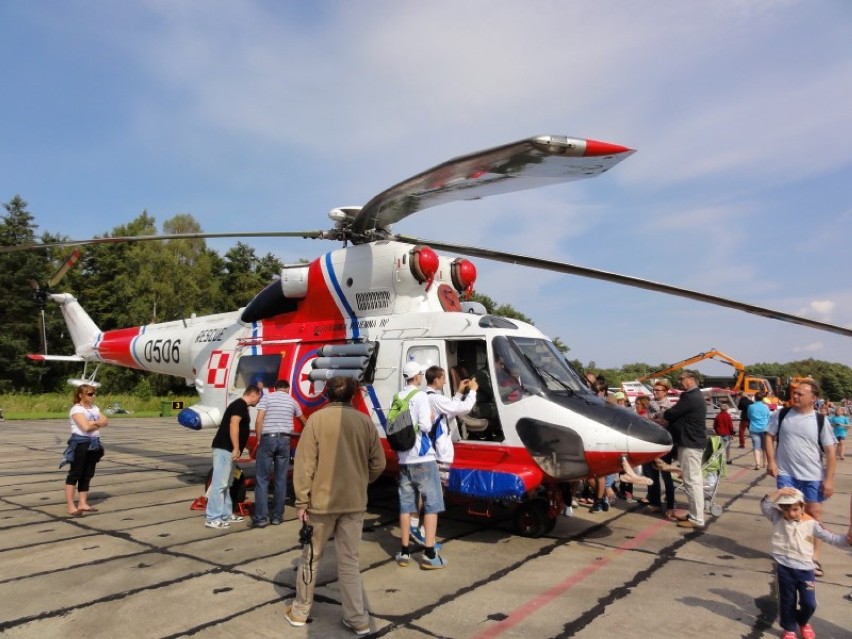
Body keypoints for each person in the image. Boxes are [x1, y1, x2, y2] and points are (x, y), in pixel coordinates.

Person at [285, 376, 385, 634]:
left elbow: (305, 465)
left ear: (326, 394)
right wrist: (361, 481)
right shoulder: (365, 422)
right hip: (354, 503)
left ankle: (299, 611)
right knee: (350, 562)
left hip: (320, 504)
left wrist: (301, 500)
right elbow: (379, 464)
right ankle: (358, 619)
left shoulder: (316, 420)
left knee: (310, 558)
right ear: (353, 395)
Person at [765, 378, 837, 577]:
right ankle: (790, 551)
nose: (795, 396)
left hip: (812, 475)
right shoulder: (781, 414)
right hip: (787, 474)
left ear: (813, 398)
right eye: (794, 392)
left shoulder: (820, 420)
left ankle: (813, 557)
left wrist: (828, 479)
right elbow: (769, 437)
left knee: (814, 514)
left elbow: (830, 452)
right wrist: (771, 461)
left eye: (800, 393)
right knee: (787, 514)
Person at [759, 487, 849, 639]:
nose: (791, 513)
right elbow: (765, 505)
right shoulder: (778, 518)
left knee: (809, 604)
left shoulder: (811, 524)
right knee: (787, 601)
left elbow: (831, 538)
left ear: (803, 507)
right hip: (785, 568)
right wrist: (780, 492)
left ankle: (803, 621)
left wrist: (847, 540)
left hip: (806, 570)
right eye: (786, 509)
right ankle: (789, 629)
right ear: (781, 508)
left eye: (795, 509)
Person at [394, 361, 447, 569]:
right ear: (417, 377)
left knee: (406, 506)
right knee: (432, 505)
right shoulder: (421, 397)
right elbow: (425, 426)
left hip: (404, 459)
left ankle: (405, 552)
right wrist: (432, 418)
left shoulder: (398, 396)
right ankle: (429, 553)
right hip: (423, 458)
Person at [250, 379, 306, 528]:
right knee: (281, 480)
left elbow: (259, 420)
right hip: (285, 441)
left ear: (275, 388)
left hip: (268, 439)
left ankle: (261, 518)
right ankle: (276, 517)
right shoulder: (292, 401)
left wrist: (258, 439)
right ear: (287, 389)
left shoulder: (267, 397)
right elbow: (303, 420)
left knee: (262, 479)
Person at [205, 385, 262, 529]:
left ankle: (226, 513)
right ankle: (212, 517)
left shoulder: (241, 406)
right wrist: (236, 447)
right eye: (259, 397)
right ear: (253, 394)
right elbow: (233, 424)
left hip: (229, 450)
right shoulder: (239, 405)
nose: (259, 400)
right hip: (225, 448)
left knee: (228, 483)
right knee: (220, 483)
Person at [662, 371, 707, 530]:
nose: (679, 382)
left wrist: (667, 413)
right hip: (692, 443)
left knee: (692, 482)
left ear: (690, 380)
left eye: (681, 379)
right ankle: (695, 514)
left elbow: (671, 413)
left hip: (690, 444)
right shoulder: (696, 396)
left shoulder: (690, 397)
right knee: (693, 481)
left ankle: (696, 518)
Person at [61, 384, 108, 516]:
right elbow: (85, 427)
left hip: (94, 442)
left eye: (93, 394)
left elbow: (106, 420)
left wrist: (93, 423)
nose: (93, 396)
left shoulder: (94, 408)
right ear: (81, 395)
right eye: (90, 394)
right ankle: (71, 506)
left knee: (87, 474)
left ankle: (83, 503)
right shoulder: (76, 409)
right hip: (80, 443)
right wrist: (97, 423)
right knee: (75, 473)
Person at [643, 379, 677, 520]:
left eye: (658, 390)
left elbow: (666, 423)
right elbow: (647, 421)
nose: (655, 392)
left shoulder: (670, 406)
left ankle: (670, 506)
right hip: (650, 443)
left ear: (665, 392)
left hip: (664, 445)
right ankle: (655, 503)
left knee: (666, 477)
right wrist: (656, 421)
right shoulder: (650, 405)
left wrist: (655, 421)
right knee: (651, 476)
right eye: (654, 390)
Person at [747, 391, 771, 470]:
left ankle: (757, 464)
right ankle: (765, 463)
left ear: (755, 398)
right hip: (764, 428)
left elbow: (749, 416)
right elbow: (768, 417)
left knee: (756, 447)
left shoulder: (750, 407)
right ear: (762, 398)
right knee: (765, 447)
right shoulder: (766, 407)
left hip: (754, 428)